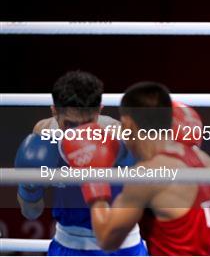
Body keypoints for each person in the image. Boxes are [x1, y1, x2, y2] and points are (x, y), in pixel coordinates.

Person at [67, 82, 210, 255]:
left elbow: (106, 239)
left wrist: (93, 178)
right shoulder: (203, 159)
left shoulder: (147, 174)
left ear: (128, 124)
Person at [14, 70, 147, 255]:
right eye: (69, 125)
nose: (79, 134)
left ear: (99, 110)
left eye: (87, 124)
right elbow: (31, 213)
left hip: (122, 246)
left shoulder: (120, 138)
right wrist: (28, 189)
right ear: (54, 111)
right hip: (67, 245)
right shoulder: (44, 134)